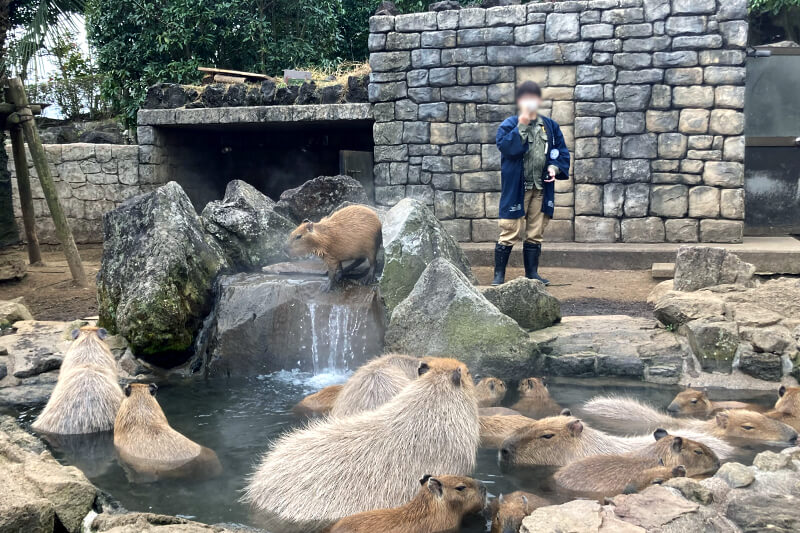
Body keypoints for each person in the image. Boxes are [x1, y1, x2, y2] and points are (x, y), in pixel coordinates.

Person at [492, 81, 571, 286]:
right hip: (518, 188)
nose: (530, 102)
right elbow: (508, 148)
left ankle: (532, 274)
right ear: (520, 101)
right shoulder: (509, 125)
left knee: (536, 232)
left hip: (541, 188)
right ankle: (498, 276)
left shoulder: (550, 126)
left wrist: (554, 169)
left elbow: (561, 152)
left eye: (533, 98)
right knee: (510, 229)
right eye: (526, 98)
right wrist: (523, 124)